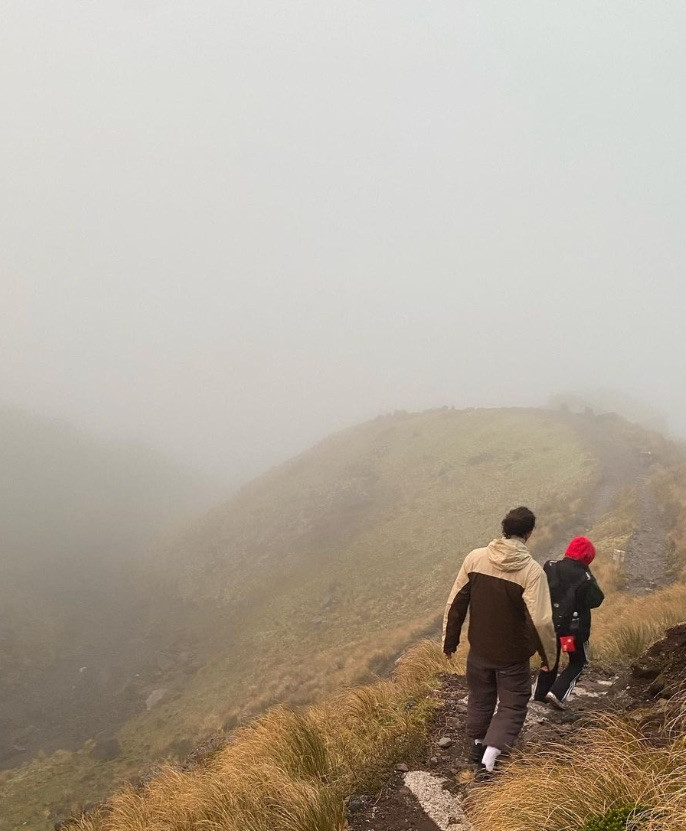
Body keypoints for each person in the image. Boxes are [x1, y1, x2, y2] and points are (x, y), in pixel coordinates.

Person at [443, 506, 557, 774]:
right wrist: (549, 658)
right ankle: (490, 759)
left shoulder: (475, 558)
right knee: (512, 703)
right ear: (528, 533)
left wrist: (450, 642)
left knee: (480, 697)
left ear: (503, 528)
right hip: (512, 655)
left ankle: (478, 744)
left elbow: (456, 603)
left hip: (479, 649)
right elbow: (540, 621)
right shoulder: (532, 572)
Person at [534, 536, 605, 709]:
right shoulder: (586, 579)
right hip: (570, 634)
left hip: (549, 628)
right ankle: (557, 693)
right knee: (577, 661)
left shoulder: (550, 566)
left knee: (550, 659)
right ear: (587, 558)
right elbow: (596, 600)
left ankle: (540, 695)